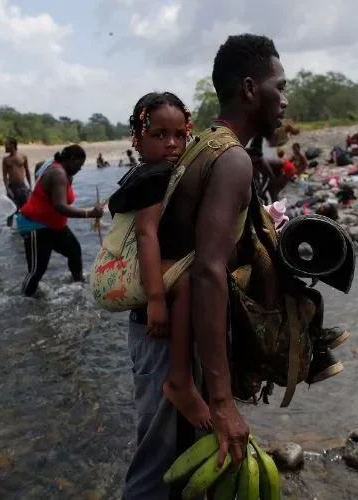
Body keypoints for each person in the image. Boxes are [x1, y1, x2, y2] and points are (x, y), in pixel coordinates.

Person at [123, 34, 288, 499]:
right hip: (164, 331)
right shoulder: (230, 157)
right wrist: (221, 400)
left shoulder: (208, 145)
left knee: (176, 457)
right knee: (156, 469)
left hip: (175, 329)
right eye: (281, 86)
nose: (286, 99)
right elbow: (208, 271)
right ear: (251, 89)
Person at [103, 92, 212, 429]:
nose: (172, 144)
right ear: (138, 140)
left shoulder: (151, 172)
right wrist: (155, 300)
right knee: (156, 436)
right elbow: (146, 233)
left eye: (180, 135)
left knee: (172, 435)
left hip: (158, 304)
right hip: (154, 307)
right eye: (159, 135)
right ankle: (179, 383)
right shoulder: (154, 176)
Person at [18, 145, 104, 296]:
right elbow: (60, 207)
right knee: (37, 270)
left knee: (74, 252)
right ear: (70, 159)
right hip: (36, 225)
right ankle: (23, 300)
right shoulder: (58, 173)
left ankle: (79, 287)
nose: (80, 169)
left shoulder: (64, 172)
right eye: (79, 165)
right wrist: (89, 213)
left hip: (54, 227)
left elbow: (39, 167)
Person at [2, 138, 32, 227]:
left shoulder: (23, 157)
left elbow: (27, 172)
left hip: (22, 187)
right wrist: (7, 189)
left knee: (26, 210)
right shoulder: (6, 159)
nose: (5, 147)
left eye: (6, 144)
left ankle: (26, 227)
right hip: (12, 188)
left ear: (12, 145)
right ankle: (8, 230)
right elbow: (4, 176)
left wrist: (30, 187)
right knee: (10, 212)